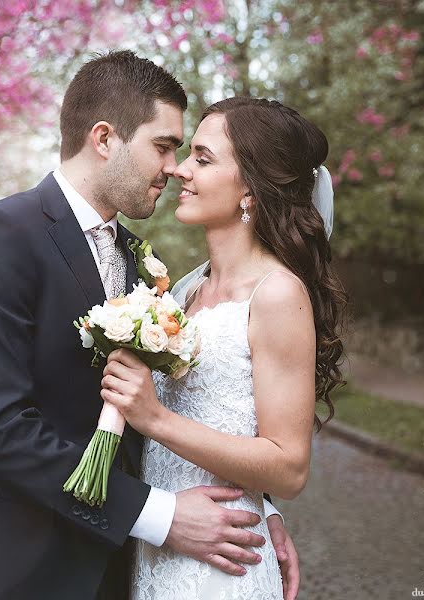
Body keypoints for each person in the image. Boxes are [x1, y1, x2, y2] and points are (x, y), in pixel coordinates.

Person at [0, 53, 301, 600]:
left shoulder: (139, 264)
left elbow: (172, 408)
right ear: (105, 138)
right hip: (10, 568)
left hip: (115, 571)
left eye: (185, 153)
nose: (173, 167)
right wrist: (160, 516)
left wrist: (252, 506)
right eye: (163, 146)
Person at [100, 97, 346, 600]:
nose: (181, 170)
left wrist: (155, 418)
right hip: (160, 549)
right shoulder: (186, 289)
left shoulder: (277, 295)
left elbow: (289, 466)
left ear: (250, 188)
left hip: (219, 572)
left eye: (203, 159)